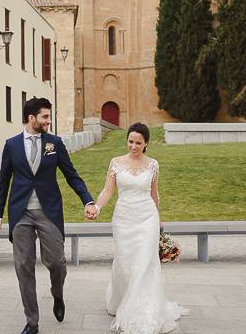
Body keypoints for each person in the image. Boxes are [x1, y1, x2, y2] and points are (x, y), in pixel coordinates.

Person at [0, 97, 98, 334]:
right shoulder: (11, 145)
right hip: (20, 214)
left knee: (57, 263)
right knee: (23, 267)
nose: (49, 121)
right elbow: (3, 182)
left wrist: (88, 200)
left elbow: (72, 175)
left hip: (48, 212)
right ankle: (32, 322)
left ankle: (57, 295)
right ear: (32, 118)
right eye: (45, 117)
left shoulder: (55, 143)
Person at [89, 122, 187, 333]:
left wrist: (159, 220)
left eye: (138, 143)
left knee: (145, 262)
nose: (133, 146)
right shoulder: (115, 163)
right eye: (130, 141)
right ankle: (122, 299)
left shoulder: (153, 164)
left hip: (147, 218)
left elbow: (154, 194)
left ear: (146, 144)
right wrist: (97, 206)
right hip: (123, 218)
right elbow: (107, 191)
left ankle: (141, 311)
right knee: (126, 261)